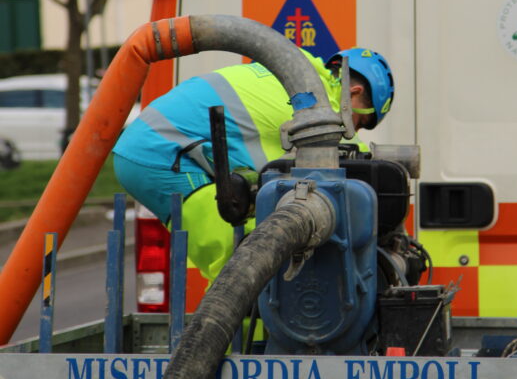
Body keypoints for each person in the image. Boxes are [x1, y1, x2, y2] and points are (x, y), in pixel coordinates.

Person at [113, 47, 394, 283]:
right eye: (360, 123)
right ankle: (240, 335)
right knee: (244, 265)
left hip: (155, 145)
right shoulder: (311, 108)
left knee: (255, 245)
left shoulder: (298, 80)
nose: (352, 132)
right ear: (354, 93)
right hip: (159, 154)